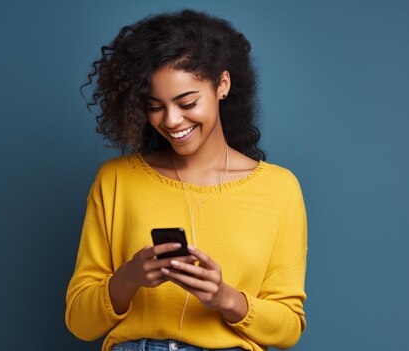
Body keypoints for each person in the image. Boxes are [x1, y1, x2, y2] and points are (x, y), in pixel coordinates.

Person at [65, 9, 307, 351]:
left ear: (222, 85)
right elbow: (79, 322)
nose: (172, 120)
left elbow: (287, 329)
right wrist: (130, 278)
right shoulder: (116, 180)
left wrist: (226, 298)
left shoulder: (279, 190)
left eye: (187, 101)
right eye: (155, 106)